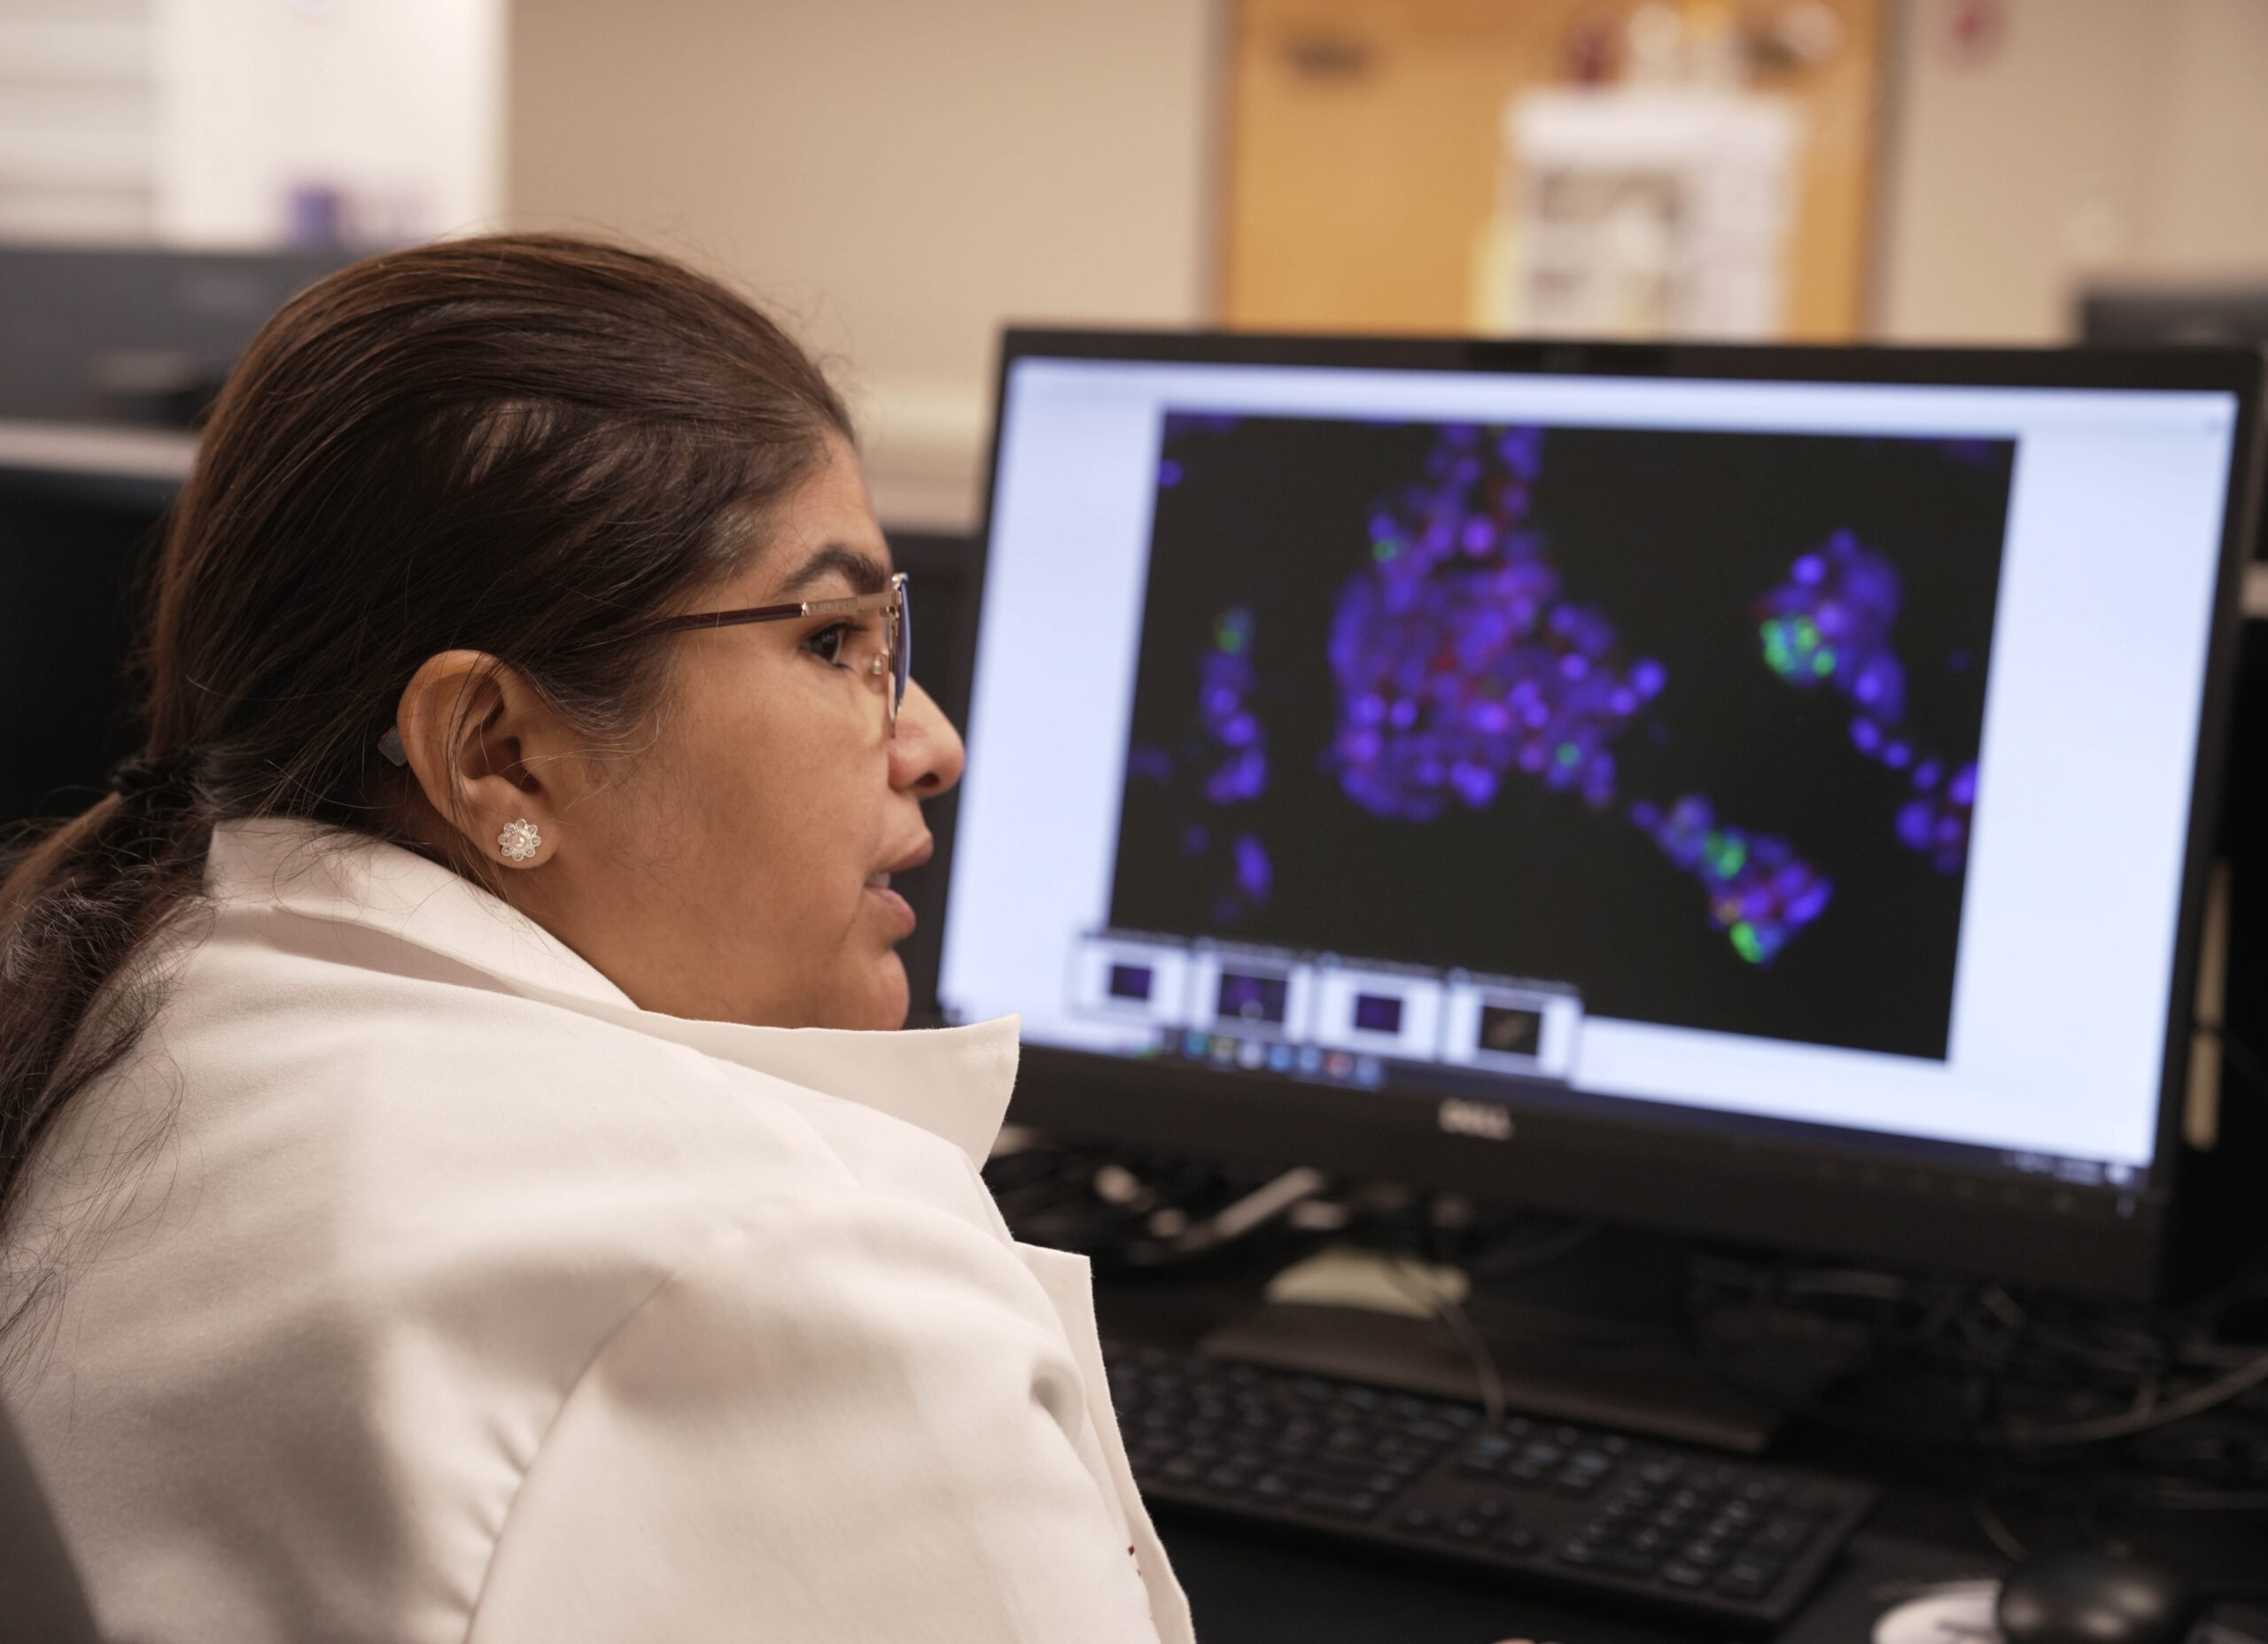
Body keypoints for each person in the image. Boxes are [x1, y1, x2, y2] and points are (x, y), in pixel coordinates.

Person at [0, 236, 1192, 1643]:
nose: (931, 742)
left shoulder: (136, 1014)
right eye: (833, 641)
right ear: (500, 755)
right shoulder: (783, 1270)